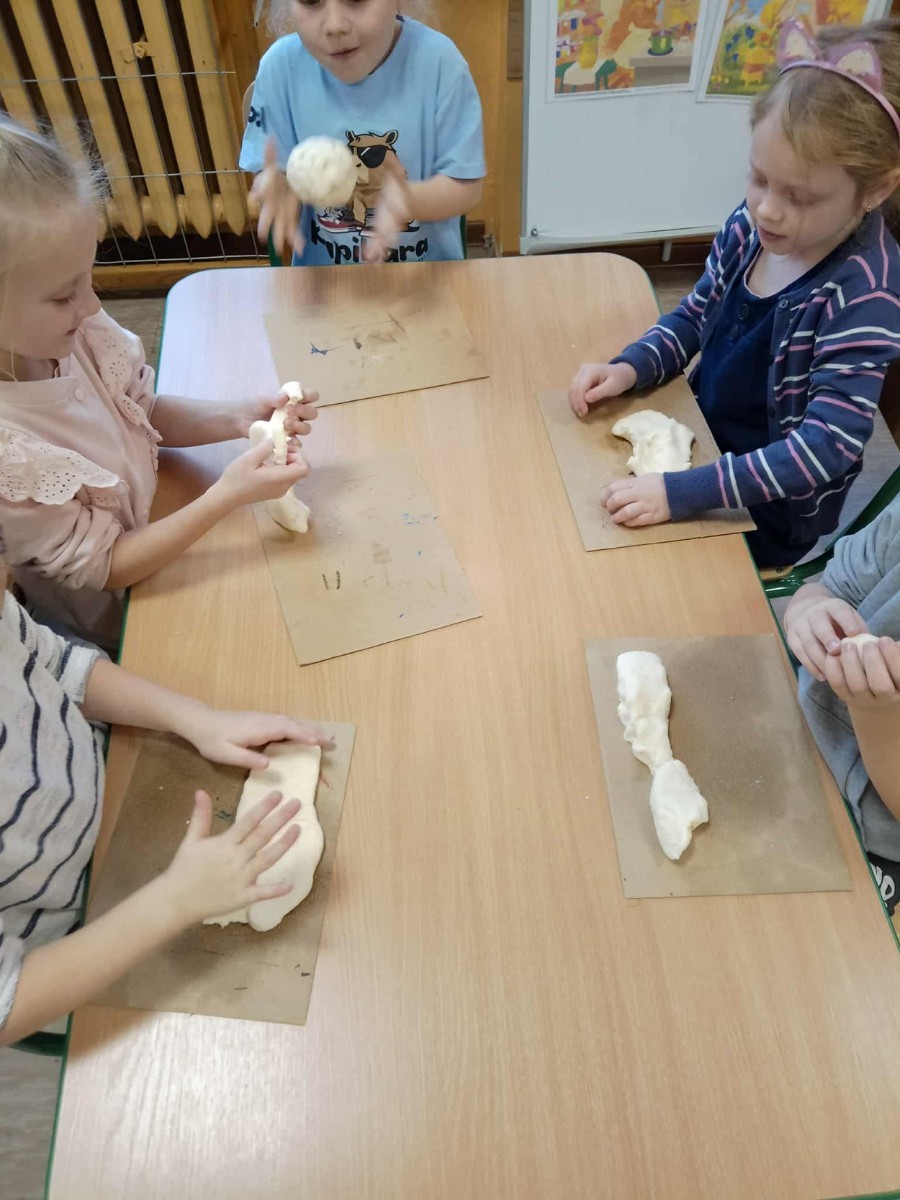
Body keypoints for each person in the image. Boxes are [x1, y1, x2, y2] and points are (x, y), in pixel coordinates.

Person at [569, 18, 900, 568]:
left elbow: (825, 447)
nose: (768, 207)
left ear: (875, 189)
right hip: (702, 437)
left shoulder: (864, 298)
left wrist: (683, 494)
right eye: (758, 178)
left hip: (766, 510)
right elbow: (696, 317)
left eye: (800, 196)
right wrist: (629, 368)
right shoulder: (751, 229)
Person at [0, 117, 319, 653]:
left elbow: (141, 409)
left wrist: (239, 416)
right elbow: (107, 567)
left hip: (170, 528)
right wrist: (226, 496)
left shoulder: (73, 332)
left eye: (89, 277)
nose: (93, 305)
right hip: (124, 622)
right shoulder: (12, 454)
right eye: (63, 295)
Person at [0, 547, 333, 1046]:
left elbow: (53, 662)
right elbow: (8, 1006)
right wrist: (175, 900)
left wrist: (194, 717)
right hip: (76, 951)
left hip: (110, 785)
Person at [245, 0, 486, 266]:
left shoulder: (441, 64)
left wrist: (410, 201)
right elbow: (273, 171)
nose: (335, 26)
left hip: (428, 280)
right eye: (311, 1)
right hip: (325, 285)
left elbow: (466, 186)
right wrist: (277, 184)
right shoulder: (281, 68)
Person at [784, 498, 900, 918]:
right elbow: (828, 587)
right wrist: (809, 611)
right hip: (799, 720)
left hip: (875, 829)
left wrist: (877, 714)